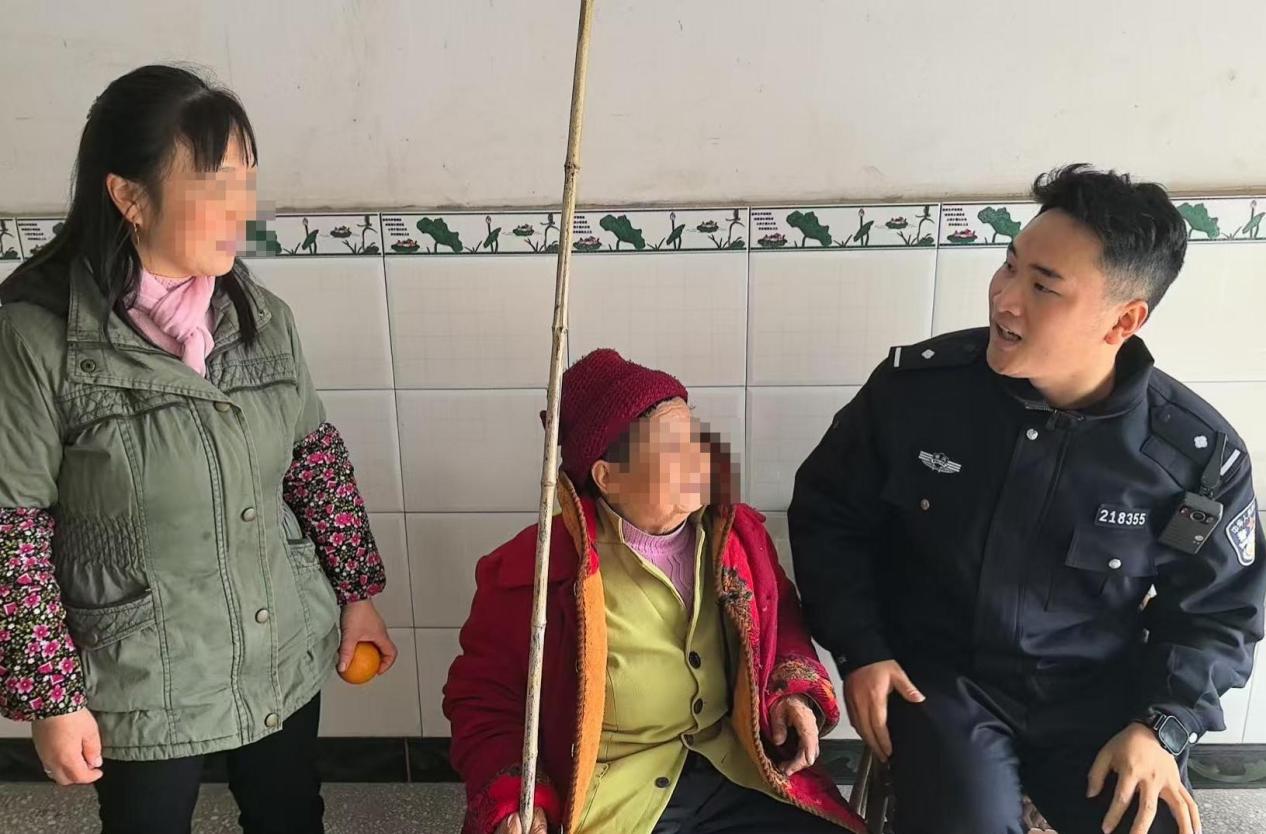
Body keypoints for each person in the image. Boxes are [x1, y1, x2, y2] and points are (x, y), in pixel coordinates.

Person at [790, 164, 1266, 834]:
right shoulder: (918, 395)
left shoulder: (1192, 458)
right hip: (942, 685)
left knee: (1151, 821)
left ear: (1124, 320)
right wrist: (861, 648)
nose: (1005, 299)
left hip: (1095, 693)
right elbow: (829, 517)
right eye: (1009, 266)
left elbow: (1219, 612)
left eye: (1043, 286)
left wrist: (1161, 727)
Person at [0, 64, 396, 834]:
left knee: (290, 815)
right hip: (141, 670)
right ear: (129, 197)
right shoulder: (35, 339)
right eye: (214, 187)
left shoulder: (260, 319)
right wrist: (52, 697)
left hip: (276, 642)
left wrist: (358, 592)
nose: (240, 211)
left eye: (246, 183)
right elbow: (12, 529)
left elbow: (315, 463)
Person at [444, 349, 864, 834]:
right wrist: (518, 798)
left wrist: (790, 695)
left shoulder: (736, 539)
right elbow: (484, 700)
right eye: (670, 447)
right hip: (613, 796)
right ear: (608, 476)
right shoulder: (538, 569)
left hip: (737, 769)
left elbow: (780, 621)